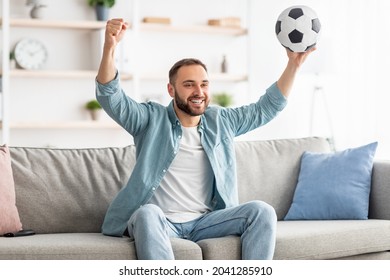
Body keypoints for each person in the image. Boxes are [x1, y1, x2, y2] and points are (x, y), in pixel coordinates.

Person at [95, 18, 314, 260]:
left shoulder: (221, 120)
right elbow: (110, 96)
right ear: (171, 90)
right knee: (147, 213)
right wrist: (109, 48)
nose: (199, 92)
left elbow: (266, 108)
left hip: (206, 222)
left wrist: (293, 65)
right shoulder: (150, 119)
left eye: (204, 84)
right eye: (189, 85)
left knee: (261, 211)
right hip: (161, 222)